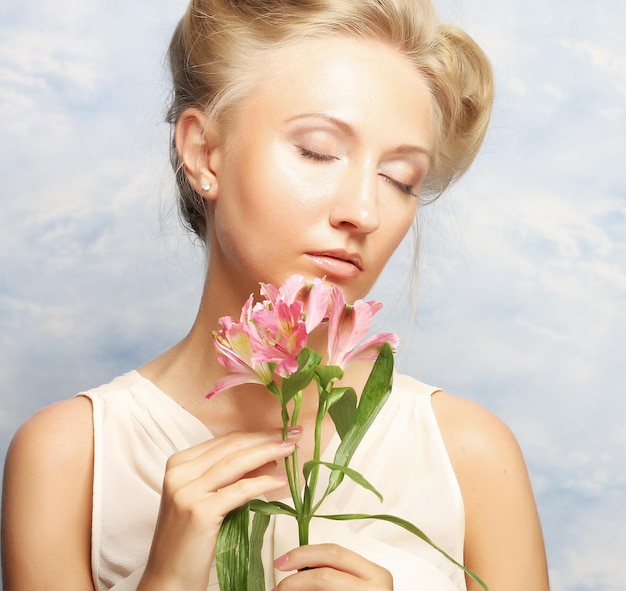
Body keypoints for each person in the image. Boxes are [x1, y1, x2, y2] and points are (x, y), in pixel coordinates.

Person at [1, 1, 550, 589]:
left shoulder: (469, 455)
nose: (364, 211)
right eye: (317, 151)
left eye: (400, 180)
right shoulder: (69, 459)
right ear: (204, 152)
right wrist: (166, 580)